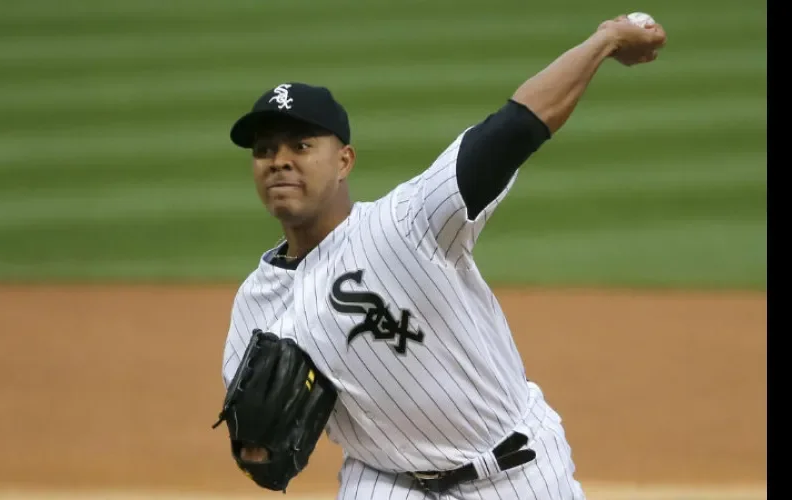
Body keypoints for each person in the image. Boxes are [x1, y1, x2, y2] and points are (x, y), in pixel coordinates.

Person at [220, 14, 667, 499]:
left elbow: (516, 127)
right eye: (264, 150)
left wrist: (605, 40)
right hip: (384, 481)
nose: (280, 161)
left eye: (301, 146)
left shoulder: (407, 223)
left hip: (512, 470)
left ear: (344, 160)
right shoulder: (256, 304)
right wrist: (257, 450)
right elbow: (258, 451)